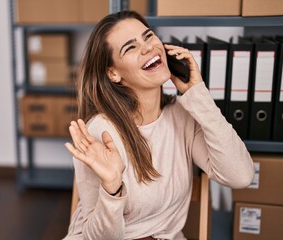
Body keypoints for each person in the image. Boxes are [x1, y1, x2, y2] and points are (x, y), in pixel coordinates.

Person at [63, 10, 254, 240]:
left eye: (148, 36)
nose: (148, 47)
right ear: (113, 73)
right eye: (130, 47)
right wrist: (112, 187)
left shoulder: (182, 116)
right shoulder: (100, 133)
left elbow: (240, 176)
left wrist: (197, 94)